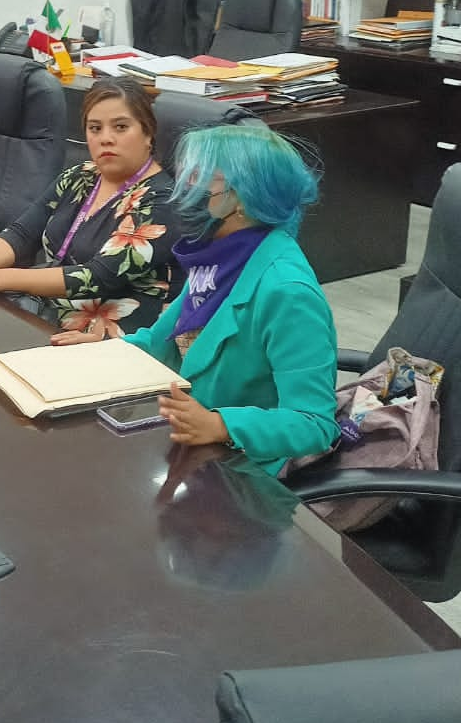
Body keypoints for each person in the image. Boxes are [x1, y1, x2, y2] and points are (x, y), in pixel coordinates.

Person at [122, 122, 339, 472]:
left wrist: (221, 425)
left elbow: (315, 424)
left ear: (243, 197)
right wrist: (102, 353)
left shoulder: (288, 292)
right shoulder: (220, 258)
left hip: (242, 469)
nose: (185, 185)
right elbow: (160, 340)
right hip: (189, 447)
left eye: (200, 176)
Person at [0, 77, 181, 339]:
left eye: (120, 127)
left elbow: (96, 277)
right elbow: (21, 235)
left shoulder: (161, 201)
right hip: (46, 314)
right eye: (95, 128)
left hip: (111, 338)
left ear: (148, 133)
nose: (106, 138)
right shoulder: (79, 177)